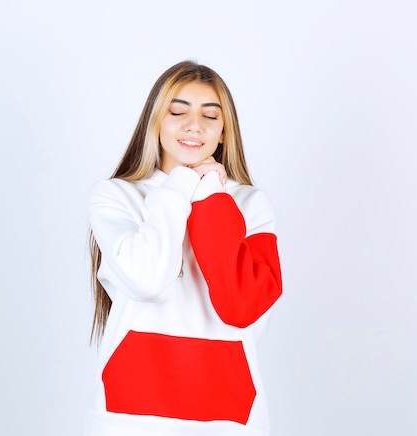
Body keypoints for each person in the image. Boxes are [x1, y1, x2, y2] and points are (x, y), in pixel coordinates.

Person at [85, 60, 283, 436]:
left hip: (229, 414)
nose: (194, 125)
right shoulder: (116, 196)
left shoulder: (249, 204)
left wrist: (210, 193)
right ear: (155, 121)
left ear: (224, 133)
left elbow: (240, 306)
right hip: (132, 414)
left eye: (211, 116)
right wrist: (179, 186)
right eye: (178, 112)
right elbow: (147, 280)